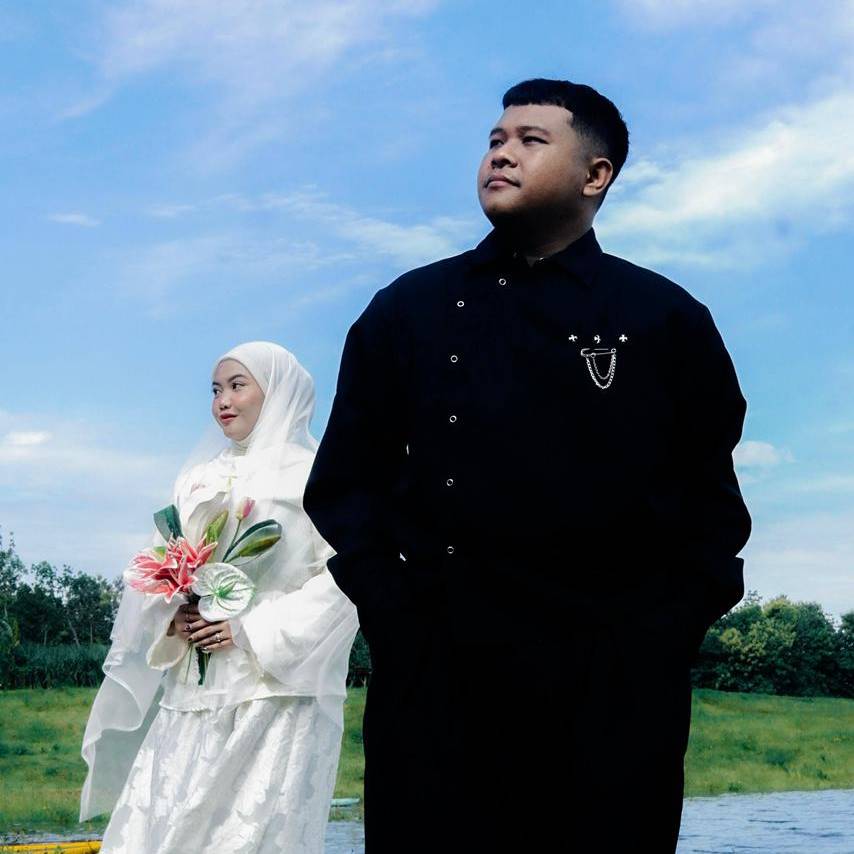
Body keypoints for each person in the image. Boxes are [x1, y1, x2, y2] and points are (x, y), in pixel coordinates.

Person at [303, 78, 752, 852]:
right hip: (438, 674)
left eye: (530, 140)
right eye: (495, 140)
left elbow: (710, 503)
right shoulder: (407, 309)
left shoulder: (664, 318)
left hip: (613, 686)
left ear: (595, 174)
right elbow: (345, 482)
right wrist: (394, 611)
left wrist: (659, 636)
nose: (501, 153)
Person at [80, 341, 359, 853]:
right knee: (169, 831)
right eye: (214, 390)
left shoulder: (317, 475)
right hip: (194, 691)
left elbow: (347, 575)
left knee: (247, 836)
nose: (222, 401)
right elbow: (159, 562)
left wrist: (250, 629)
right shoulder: (198, 479)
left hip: (275, 691)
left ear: (277, 391)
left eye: (237, 385)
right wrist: (172, 612)